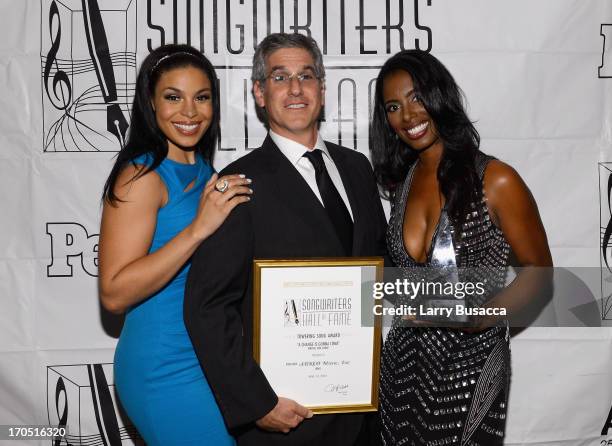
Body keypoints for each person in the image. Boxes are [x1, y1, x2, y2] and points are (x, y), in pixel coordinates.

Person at [184, 33, 387, 445]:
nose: (296, 89)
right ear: (259, 93)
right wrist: (257, 403)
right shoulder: (236, 185)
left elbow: (377, 275)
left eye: (306, 76)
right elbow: (207, 308)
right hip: (287, 421)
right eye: (280, 78)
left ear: (322, 89)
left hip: (363, 414)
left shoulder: (357, 169)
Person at [369, 50, 552, 445]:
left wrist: (480, 316)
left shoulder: (496, 179)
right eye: (393, 106)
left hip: (470, 363)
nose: (408, 116)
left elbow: (540, 275)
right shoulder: (403, 184)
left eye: (417, 97)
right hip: (401, 367)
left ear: (440, 96)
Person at [98, 44, 252, 445]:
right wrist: (198, 229)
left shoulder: (209, 173)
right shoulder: (141, 177)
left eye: (201, 98)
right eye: (173, 97)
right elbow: (114, 293)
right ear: (150, 102)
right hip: (164, 365)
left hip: (211, 361)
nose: (189, 112)